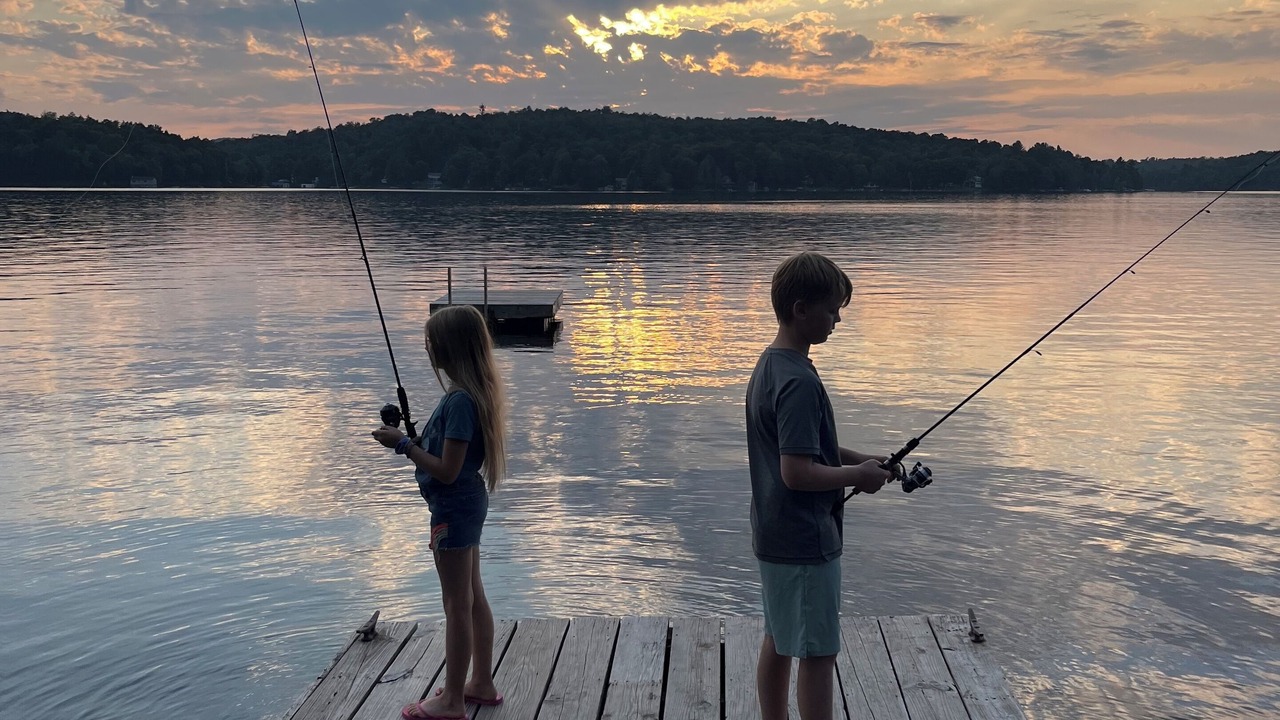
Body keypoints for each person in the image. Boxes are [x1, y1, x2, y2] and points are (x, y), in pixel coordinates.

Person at [745, 251, 894, 720]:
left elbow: (805, 448)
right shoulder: (799, 383)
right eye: (832, 310)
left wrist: (862, 459)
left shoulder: (770, 366)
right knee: (818, 653)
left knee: (779, 638)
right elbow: (797, 471)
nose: (837, 321)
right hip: (805, 541)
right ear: (801, 309)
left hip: (774, 533)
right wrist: (858, 476)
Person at [372, 304, 508, 720]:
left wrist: (402, 445)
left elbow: (447, 471)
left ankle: (451, 701)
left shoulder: (460, 401)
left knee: (456, 604)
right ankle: (480, 683)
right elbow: (451, 458)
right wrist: (415, 442)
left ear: (449, 348)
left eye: (431, 342)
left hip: (453, 508)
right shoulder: (471, 394)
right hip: (465, 504)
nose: (427, 349)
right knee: (473, 596)